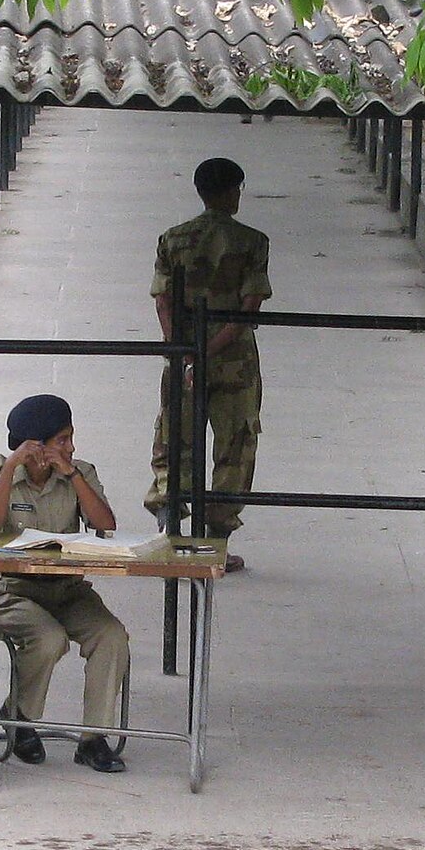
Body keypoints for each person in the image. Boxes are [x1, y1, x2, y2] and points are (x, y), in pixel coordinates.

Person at [0, 394, 131, 774]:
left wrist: (72, 475)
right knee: (48, 639)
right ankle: (20, 718)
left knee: (111, 636)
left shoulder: (80, 472)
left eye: (70, 438)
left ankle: (94, 737)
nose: (70, 447)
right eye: (62, 440)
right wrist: (11, 471)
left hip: (67, 588)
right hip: (13, 589)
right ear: (36, 445)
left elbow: (105, 524)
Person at [142, 156, 272, 572]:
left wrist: (178, 348)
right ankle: (216, 539)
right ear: (232, 191)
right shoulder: (252, 242)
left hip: (182, 357)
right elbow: (248, 309)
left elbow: (162, 299)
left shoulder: (172, 239)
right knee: (235, 443)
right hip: (233, 361)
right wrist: (212, 348)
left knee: (174, 437)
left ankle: (170, 525)